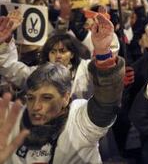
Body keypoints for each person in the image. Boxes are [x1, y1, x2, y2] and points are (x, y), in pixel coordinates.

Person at [3, 13, 124, 163]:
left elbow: (105, 98)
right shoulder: (16, 114)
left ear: (66, 97)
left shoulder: (80, 118)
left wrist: (103, 55)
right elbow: (12, 69)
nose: (36, 106)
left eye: (47, 97)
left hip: (94, 125)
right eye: (30, 97)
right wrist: (5, 42)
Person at [0, 12, 93, 99]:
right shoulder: (38, 74)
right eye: (53, 52)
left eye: (62, 51)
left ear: (72, 54)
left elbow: (103, 71)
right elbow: (9, 67)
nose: (58, 55)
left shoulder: (85, 69)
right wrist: (6, 40)